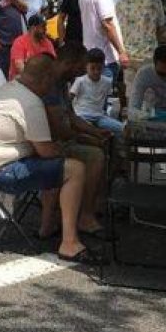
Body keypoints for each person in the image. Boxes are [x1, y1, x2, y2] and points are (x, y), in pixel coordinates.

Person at [0, 55, 104, 264]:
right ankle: (69, 243)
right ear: (45, 79)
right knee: (74, 169)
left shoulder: (10, 88)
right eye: (51, 82)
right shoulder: (30, 102)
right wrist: (64, 151)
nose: (52, 87)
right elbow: (46, 151)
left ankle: (48, 225)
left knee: (58, 167)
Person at [41, 46, 111, 236]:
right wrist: (83, 136)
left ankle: (92, 205)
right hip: (50, 144)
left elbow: (71, 117)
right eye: (79, 69)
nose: (79, 75)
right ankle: (85, 216)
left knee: (99, 146)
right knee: (94, 156)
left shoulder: (62, 84)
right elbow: (58, 128)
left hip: (62, 139)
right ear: (68, 64)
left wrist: (95, 132)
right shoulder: (49, 85)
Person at [115, 0, 166, 90]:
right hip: (149, 56)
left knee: (132, 93)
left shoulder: (120, 3)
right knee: (149, 93)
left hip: (129, 57)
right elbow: (161, 31)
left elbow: (116, 30)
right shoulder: (155, 0)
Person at [79, 0, 130, 81]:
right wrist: (121, 52)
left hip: (91, 53)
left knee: (95, 97)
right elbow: (107, 24)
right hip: (106, 57)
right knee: (101, 95)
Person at [71, 48, 124, 135]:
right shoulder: (80, 81)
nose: (96, 72)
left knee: (122, 128)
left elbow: (112, 100)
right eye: (92, 68)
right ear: (86, 66)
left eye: (99, 69)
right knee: (88, 131)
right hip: (82, 116)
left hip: (99, 117)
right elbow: (70, 98)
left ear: (103, 66)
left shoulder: (107, 82)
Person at [8, 15, 56, 79]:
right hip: (20, 81)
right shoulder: (19, 42)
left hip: (40, 81)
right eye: (43, 27)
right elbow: (19, 67)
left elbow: (54, 63)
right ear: (33, 28)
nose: (45, 30)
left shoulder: (47, 42)